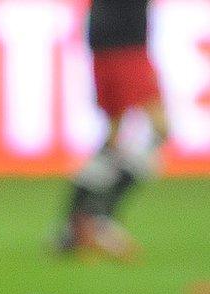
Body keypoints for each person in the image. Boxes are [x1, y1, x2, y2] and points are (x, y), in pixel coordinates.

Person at [59, 0, 167, 260]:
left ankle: (74, 224)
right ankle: (98, 220)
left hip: (108, 36)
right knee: (160, 129)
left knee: (114, 135)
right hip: (125, 42)